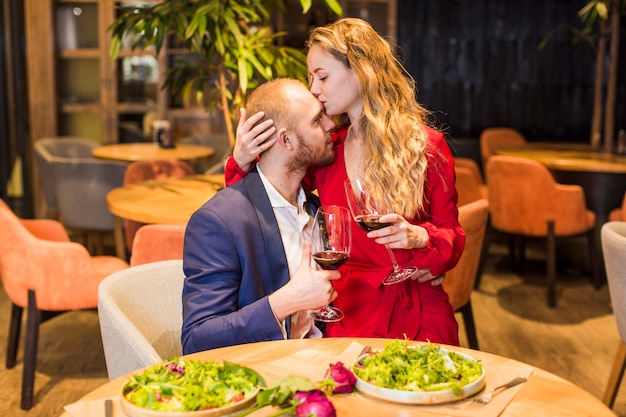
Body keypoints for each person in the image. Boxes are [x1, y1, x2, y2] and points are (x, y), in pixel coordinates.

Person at [224, 18, 465, 345]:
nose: (313, 89)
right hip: (348, 312)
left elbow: (453, 238)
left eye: (322, 76)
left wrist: (420, 237)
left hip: (417, 310)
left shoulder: (426, 146)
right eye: (311, 77)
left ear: (361, 71)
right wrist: (240, 159)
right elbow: (263, 196)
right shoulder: (326, 149)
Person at [181, 78, 340, 353]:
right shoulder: (219, 221)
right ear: (286, 140)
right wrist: (284, 303)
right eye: (317, 120)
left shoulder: (319, 211)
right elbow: (197, 339)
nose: (330, 125)